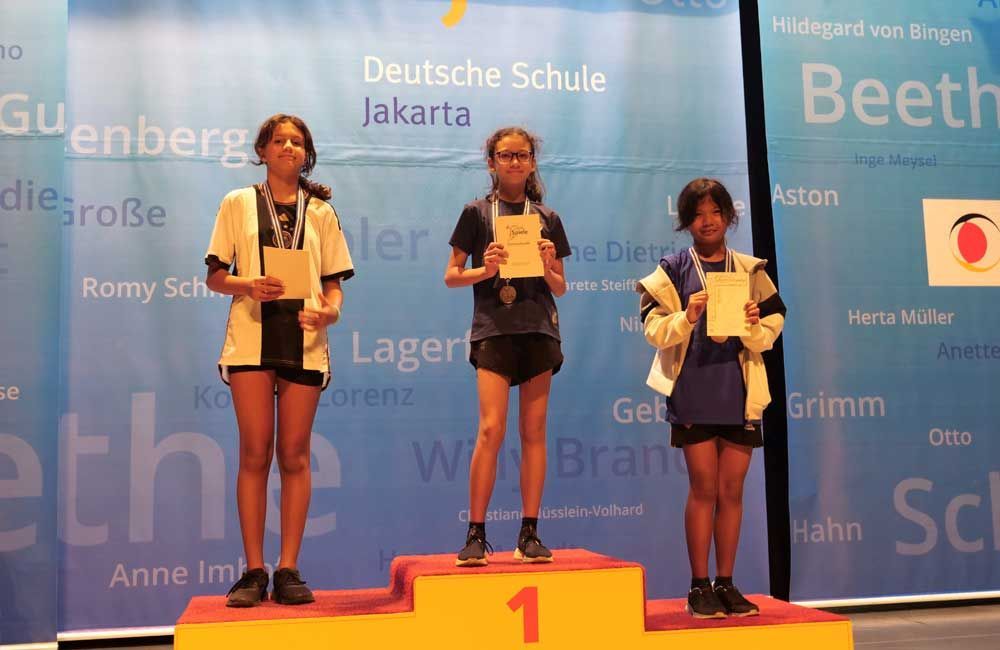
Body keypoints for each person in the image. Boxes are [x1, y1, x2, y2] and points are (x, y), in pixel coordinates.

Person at [204, 114, 354, 606]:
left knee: (294, 456)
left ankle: (288, 568)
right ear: (263, 151)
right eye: (278, 140)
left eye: (297, 141)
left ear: (306, 153)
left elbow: (333, 282)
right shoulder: (238, 203)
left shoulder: (323, 212)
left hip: (306, 342)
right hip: (250, 339)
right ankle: (252, 571)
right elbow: (215, 277)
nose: (288, 147)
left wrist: (329, 312)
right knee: (254, 453)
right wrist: (247, 284)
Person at [637, 178, 785, 618]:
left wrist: (755, 323)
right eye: (699, 213)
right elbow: (653, 329)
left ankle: (727, 582)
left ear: (728, 217)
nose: (708, 221)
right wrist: (688, 315)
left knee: (732, 490)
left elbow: (774, 325)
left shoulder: (751, 269)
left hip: (739, 393)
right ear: (687, 221)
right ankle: (698, 585)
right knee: (703, 487)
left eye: (716, 212)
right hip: (694, 390)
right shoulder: (673, 268)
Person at [445, 126, 571, 566]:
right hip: (493, 329)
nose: (514, 162)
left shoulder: (547, 218)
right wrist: (486, 269)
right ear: (492, 162)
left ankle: (530, 532)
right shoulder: (477, 213)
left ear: (533, 162)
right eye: (505, 154)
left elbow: (560, 286)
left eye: (522, 155)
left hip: (538, 328)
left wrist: (549, 265)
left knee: (533, 432)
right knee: (491, 429)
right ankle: (476, 533)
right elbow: (451, 275)